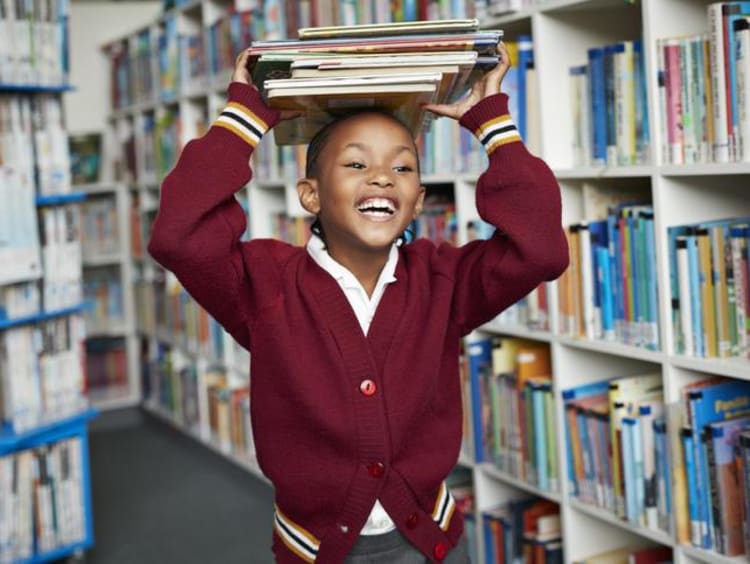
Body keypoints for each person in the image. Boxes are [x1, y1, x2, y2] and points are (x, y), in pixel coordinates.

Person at [148, 42, 568, 563]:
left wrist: (493, 127)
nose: (381, 177)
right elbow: (179, 235)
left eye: (403, 168)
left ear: (416, 202)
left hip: (431, 543)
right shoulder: (263, 284)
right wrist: (245, 118)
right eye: (355, 163)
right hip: (316, 550)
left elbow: (542, 248)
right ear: (310, 195)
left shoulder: (446, 281)